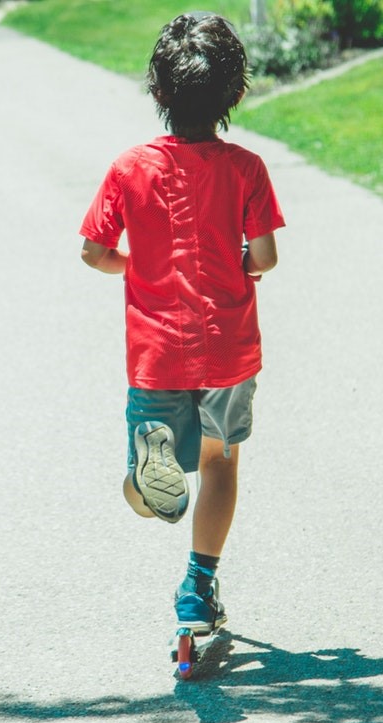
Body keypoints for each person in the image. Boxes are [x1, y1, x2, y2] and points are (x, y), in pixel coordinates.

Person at [79, 12, 285, 633]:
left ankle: (145, 483)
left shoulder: (129, 167)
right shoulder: (247, 168)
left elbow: (92, 251)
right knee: (221, 463)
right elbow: (266, 257)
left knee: (152, 504)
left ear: (159, 92)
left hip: (157, 356)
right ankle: (198, 586)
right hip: (228, 350)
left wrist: (132, 266)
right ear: (237, 95)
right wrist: (243, 261)